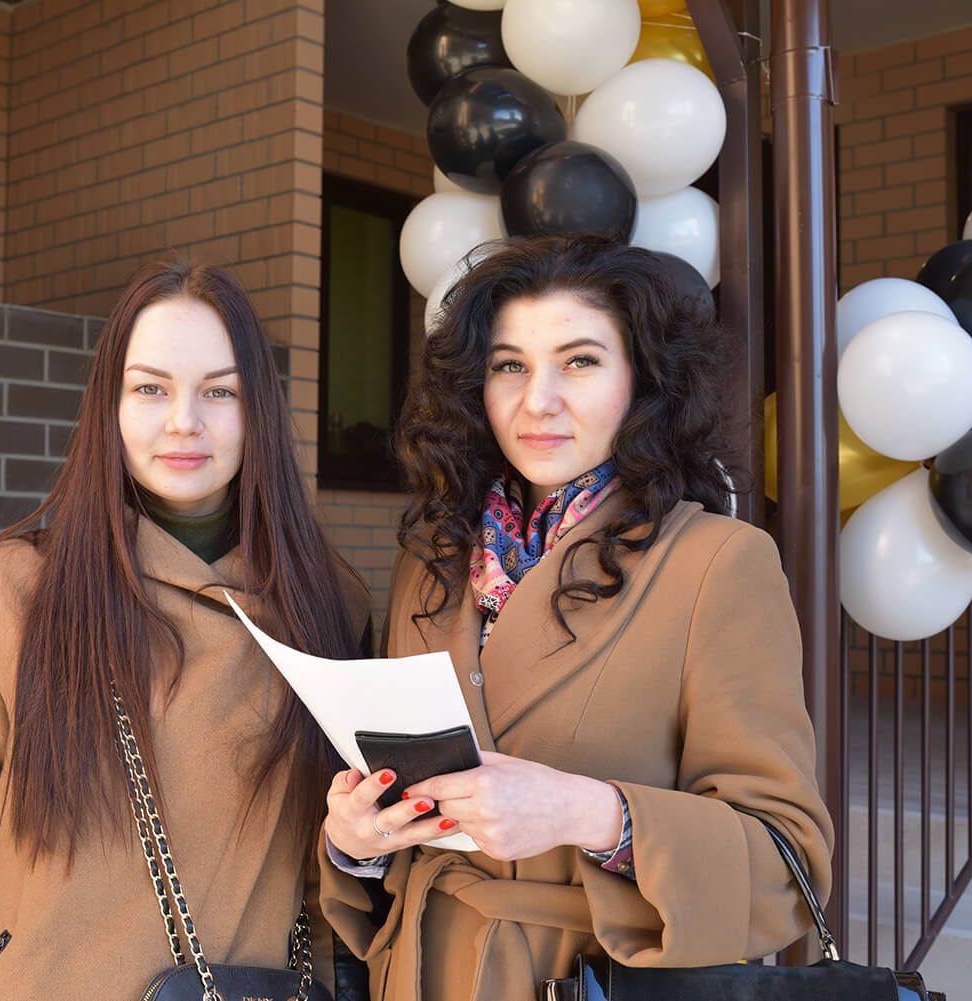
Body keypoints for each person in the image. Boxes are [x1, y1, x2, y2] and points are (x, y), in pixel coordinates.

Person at [319, 236, 834, 1001]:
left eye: (581, 361)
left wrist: (592, 813)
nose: (539, 400)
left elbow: (785, 865)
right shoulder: (432, 560)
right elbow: (400, 817)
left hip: (583, 980)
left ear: (643, 380)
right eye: (510, 365)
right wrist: (356, 841)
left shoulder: (718, 564)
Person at [0, 260, 370, 1001]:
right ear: (111, 405)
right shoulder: (11, 587)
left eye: (219, 391)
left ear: (258, 409)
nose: (184, 421)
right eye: (151, 388)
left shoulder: (329, 606)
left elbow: (335, 869)